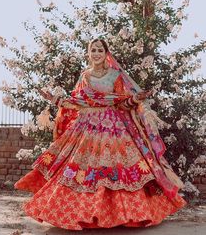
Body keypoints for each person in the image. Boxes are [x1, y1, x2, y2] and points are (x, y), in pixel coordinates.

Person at [14, 38, 186, 230]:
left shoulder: (115, 76)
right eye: (93, 50)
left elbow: (122, 103)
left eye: (100, 50)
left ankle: (127, 215)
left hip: (114, 130)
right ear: (89, 53)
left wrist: (135, 98)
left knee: (119, 170)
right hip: (87, 129)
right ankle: (82, 215)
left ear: (106, 54)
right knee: (80, 170)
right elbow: (77, 102)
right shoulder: (85, 77)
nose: (96, 54)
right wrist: (55, 100)